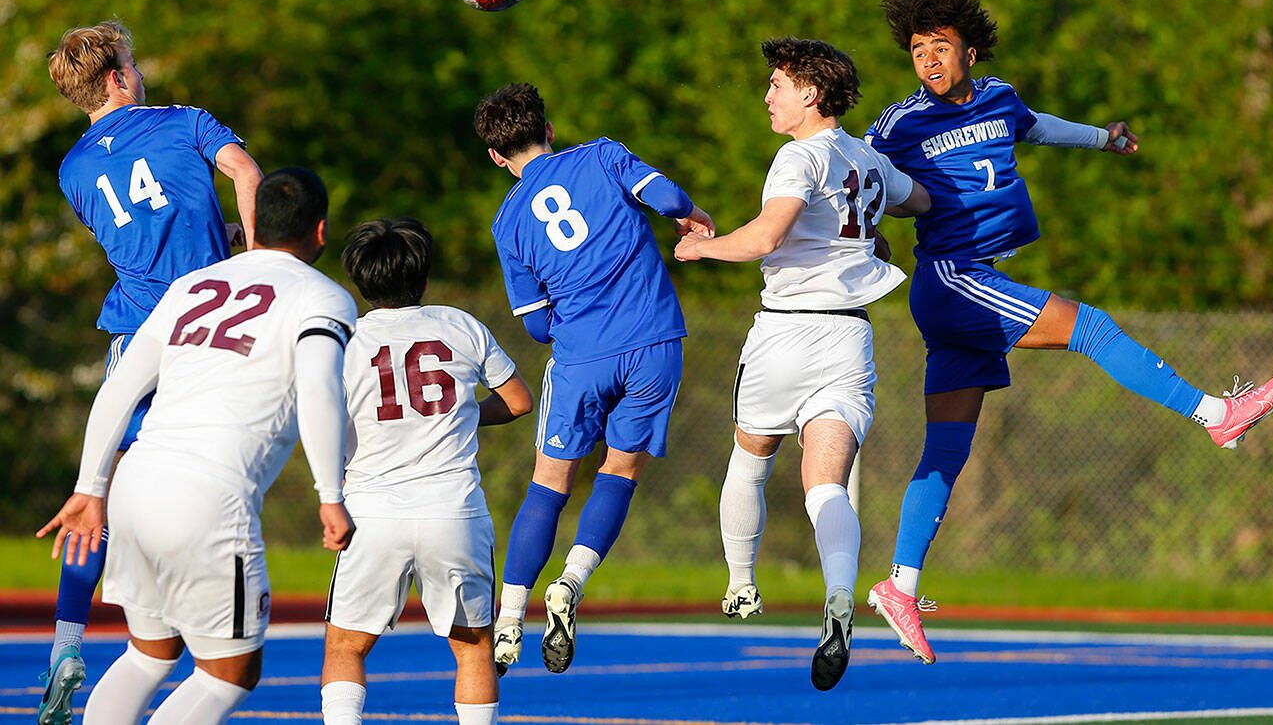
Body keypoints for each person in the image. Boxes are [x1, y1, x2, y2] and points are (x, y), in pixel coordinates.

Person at [860, 0, 1273, 665]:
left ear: (969, 51)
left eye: (940, 47)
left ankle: (901, 584)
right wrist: (865, 235)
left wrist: (1104, 138)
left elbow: (1035, 124)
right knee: (1089, 326)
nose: (928, 61)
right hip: (953, 278)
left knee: (946, 449)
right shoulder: (897, 123)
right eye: (917, 50)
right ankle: (1216, 413)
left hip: (975, 280)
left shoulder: (998, 97)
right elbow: (850, 173)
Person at [37, 167, 356, 725]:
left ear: (251, 226)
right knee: (230, 672)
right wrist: (331, 493)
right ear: (321, 232)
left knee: (149, 653)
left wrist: (90, 487)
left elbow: (121, 387)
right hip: (207, 499)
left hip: (134, 486)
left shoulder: (193, 285)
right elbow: (319, 389)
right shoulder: (323, 296)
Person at [675, 37, 930, 690]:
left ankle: (739, 586)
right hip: (848, 339)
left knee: (751, 460)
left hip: (785, 335)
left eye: (778, 85)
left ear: (810, 94)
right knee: (826, 486)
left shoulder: (797, 156)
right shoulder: (867, 159)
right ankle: (839, 598)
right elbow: (919, 201)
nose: (768, 95)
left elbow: (767, 236)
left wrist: (703, 250)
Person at [40, 19, 263, 722]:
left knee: (103, 481)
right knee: (213, 464)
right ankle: (203, 612)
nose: (140, 71)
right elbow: (248, 174)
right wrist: (252, 257)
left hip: (133, 330)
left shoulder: (72, 169)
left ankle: (66, 645)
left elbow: (141, 234)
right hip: (202, 324)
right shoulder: (184, 120)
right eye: (133, 62)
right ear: (116, 77)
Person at [474, 83, 714, 675]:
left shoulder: (507, 222)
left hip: (582, 358)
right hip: (655, 342)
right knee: (621, 469)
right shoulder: (603, 154)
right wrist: (691, 216)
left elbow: (534, 326)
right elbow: (668, 195)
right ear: (548, 128)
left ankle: (508, 620)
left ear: (495, 157)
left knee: (550, 483)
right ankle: (571, 583)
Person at [321, 218, 534, 725]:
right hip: (453, 510)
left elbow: (323, 422)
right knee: (474, 648)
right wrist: (459, 414)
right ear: (423, 275)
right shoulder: (460, 325)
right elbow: (519, 401)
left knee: (346, 648)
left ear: (359, 278)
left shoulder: (344, 340)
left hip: (372, 513)